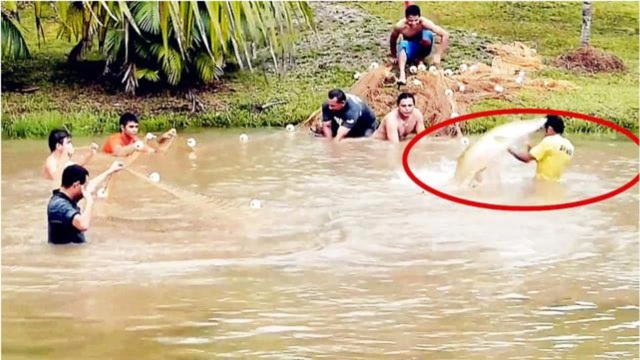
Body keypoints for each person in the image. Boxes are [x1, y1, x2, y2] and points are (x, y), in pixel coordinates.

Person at [47, 162, 124, 245]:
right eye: (85, 186)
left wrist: (110, 171)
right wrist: (90, 201)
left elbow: (90, 186)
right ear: (76, 185)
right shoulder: (60, 205)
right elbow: (83, 225)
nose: (87, 189)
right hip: (69, 255)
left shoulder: (64, 197)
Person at [389, 4, 450, 85]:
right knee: (403, 44)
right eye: (410, 20)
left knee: (427, 34)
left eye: (416, 20)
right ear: (406, 18)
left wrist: (438, 54)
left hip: (423, 45)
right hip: (410, 46)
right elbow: (393, 39)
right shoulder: (400, 26)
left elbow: (445, 34)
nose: (413, 23)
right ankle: (402, 74)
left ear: (419, 17)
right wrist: (393, 55)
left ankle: (420, 59)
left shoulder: (424, 23)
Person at [508, 115, 575, 181]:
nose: (544, 133)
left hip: (541, 183)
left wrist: (510, 149)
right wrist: (528, 144)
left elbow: (526, 159)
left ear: (549, 129)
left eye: (544, 129)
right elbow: (543, 159)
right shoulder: (570, 147)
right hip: (555, 186)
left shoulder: (549, 141)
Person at [102, 112, 176, 157]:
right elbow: (118, 152)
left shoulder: (134, 139)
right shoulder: (114, 139)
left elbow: (152, 150)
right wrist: (138, 145)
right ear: (122, 127)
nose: (135, 129)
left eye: (136, 127)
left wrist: (164, 137)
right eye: (131, 127)